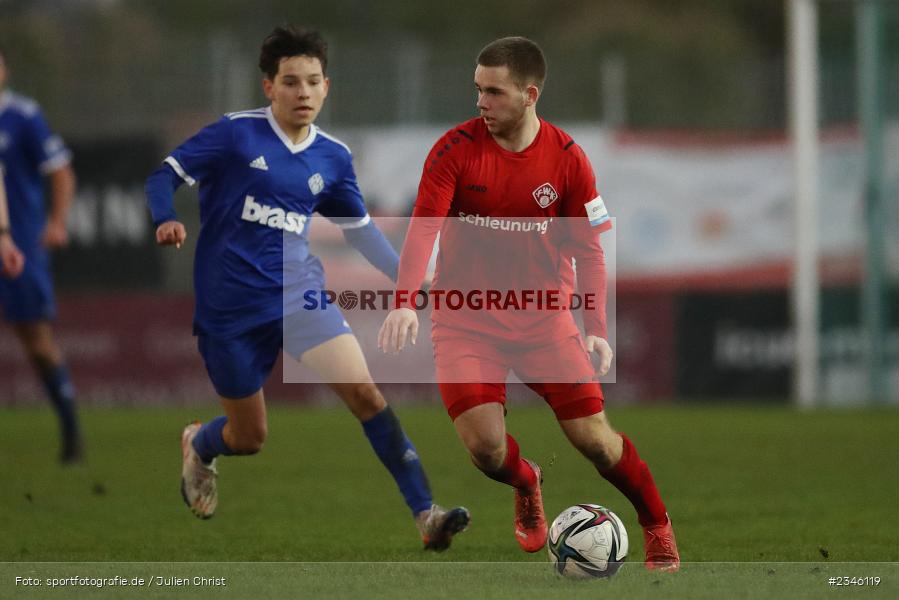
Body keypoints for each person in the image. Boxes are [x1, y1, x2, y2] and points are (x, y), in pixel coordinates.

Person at [144, 25, 469, 551]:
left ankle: (426, 513)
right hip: (229, 310)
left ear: (326, 87)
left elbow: (360, 231)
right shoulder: (233, 135)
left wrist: (411, 282)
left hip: (301, 299)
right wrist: (164, 217)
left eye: (312, 81)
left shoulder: (333, 158)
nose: (303, 93)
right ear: (268, 87)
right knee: (249, 438)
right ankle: (201, 443)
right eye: (291, 82)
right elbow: (163, 176)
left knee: (365, 394)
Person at [379, 36, 679, 570]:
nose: (480, 102)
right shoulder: (454, 150)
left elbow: (589, 251)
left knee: (595, 442)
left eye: (493, 92)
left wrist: (596, 328)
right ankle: (527, 479)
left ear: (529, 94)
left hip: (544, 318)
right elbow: (422, 229)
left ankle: (656, 524)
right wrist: (404, 301)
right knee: (486, 450)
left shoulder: (568, 161)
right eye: (477, 89)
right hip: (465, 319)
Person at [0, 47, 82, 463]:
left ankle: (70, 428)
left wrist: (56, 222)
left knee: (35, 341)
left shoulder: (23, 116)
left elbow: (61, 171)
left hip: (20, 244)